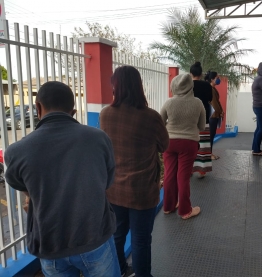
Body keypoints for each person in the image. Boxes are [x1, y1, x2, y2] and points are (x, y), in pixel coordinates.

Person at [4, 81, 120, 277]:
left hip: (50, 245)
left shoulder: (16, 151)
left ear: (37, 108)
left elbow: (21, 185)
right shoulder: (99, 139)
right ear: (73, 111)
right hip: (95, 239)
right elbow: (107, 182)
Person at [100, 66, 169, 277]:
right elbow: (164, 145)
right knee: (140, 239)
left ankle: (121, 270)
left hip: (114, 189)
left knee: (117, 235)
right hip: (143, 190)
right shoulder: (151, 117)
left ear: (116, 87)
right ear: (139, 87)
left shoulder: (106, 114)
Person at [160, 73, 206, 219]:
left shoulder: (168, 103)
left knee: (169, 174)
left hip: (169, 142)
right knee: (183, 176)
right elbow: (201, 125)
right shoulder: (198, 103)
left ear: (174, 86)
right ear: (190, 86)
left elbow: (160, 122)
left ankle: (168, 206)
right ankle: (185, 210)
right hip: (189, 143)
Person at [190, 62, 213, 178]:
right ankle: (202, 170)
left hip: (190, 118)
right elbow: (210, 99)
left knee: (190, 144)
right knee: (203, 145)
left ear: (191, 73)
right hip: (203, 118)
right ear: (201, 73)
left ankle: (189, 169)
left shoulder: (188, 85)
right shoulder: (207, 85)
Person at [205, 70, 224, 160]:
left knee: (211, 135)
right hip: (213, 115)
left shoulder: (212, 88)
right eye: (217, 78)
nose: (218, 79)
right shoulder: (210, 89)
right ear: (212, 79)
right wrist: (220, 111)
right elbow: (214, 103)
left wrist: (221, 111)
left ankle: (209, 153)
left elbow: (217, 102)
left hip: (214, 115)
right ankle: (209, 154)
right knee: (210, 136)